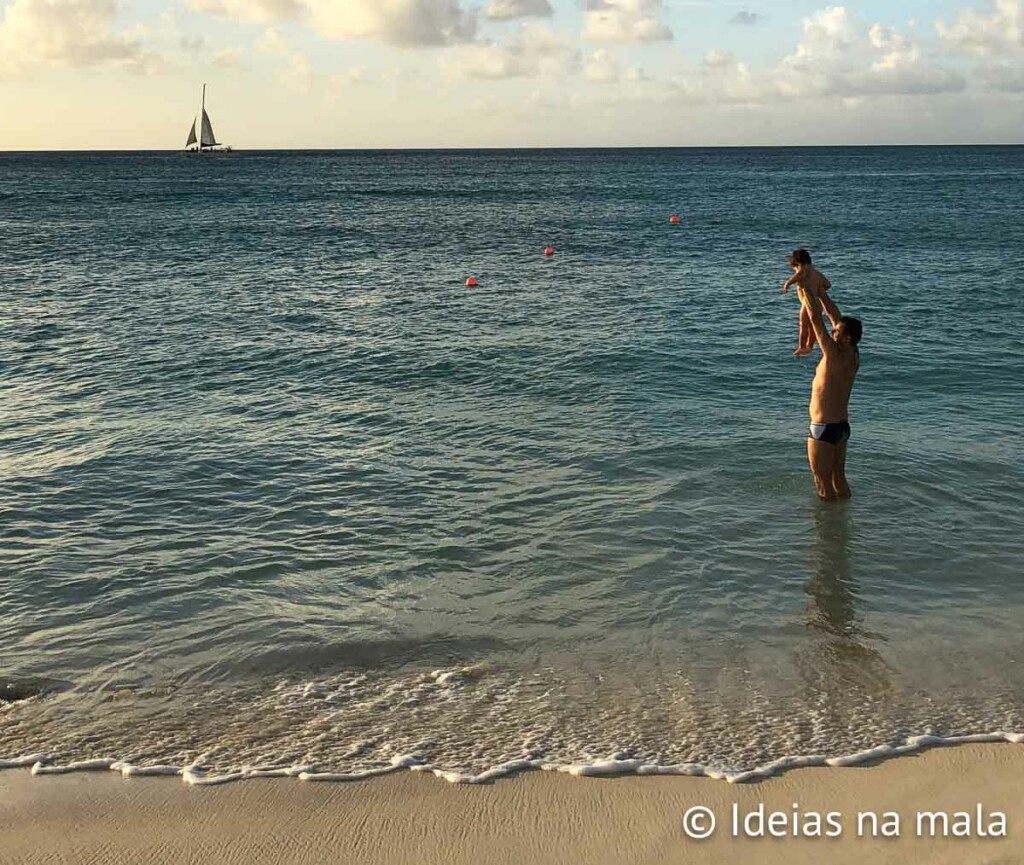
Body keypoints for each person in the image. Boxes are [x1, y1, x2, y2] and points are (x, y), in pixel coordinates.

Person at [797, 286, 862, 500]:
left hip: (823, 428)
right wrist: (822, 293)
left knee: (822, 482)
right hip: (842, 428)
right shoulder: (854, 356)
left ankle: (828, 530)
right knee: (839, 478)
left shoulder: (833, 354)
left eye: (837, 332)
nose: (833, 332)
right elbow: (835, 316)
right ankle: (845, 523)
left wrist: (806, 290)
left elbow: (817, 321)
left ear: (847, 338)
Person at [782, 249, 836, 356]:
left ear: (797, 263)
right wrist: (818, 290)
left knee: (803, 325)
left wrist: (787, 285)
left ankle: (802, 346)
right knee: (813, 326)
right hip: (817, 302)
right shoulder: (817, 273)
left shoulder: (803, 270)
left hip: (807, 304)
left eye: (794, 268)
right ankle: (810, 346)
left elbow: (798, 276)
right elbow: (828, 284)